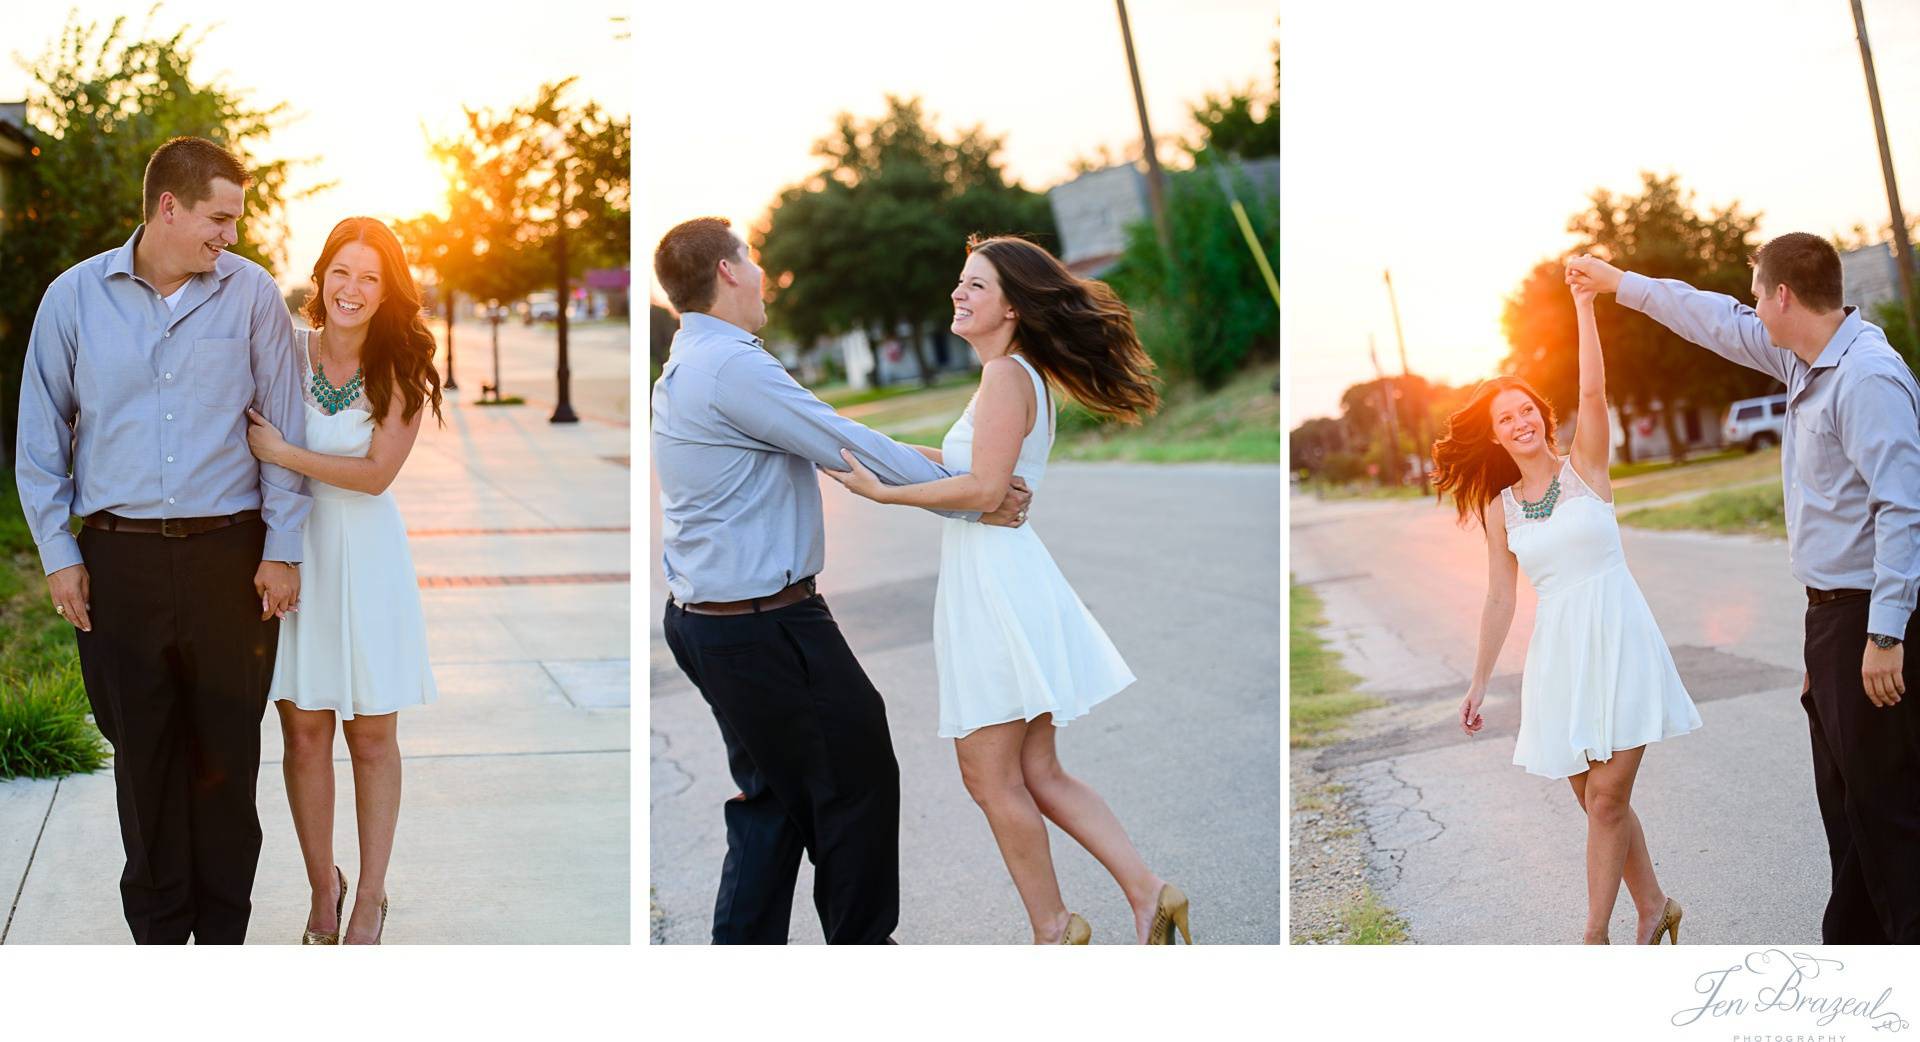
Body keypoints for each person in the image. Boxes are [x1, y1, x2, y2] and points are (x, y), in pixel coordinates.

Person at [651, 216, 1031, 944]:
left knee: (771, 803)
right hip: (761, 626)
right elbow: (844, 446)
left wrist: (964, 474)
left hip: (715, 622)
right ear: (729, 272)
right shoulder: (729, 366)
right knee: (855, 778)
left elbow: (833, 436)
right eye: (752, 259)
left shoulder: (696, 360)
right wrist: (980, 494)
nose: (761, 275)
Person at [822, 235, 1191, 944]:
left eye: (976, 287)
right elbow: (969, 465)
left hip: (993, 585)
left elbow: (984, 488)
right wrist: (872, 449)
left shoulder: (1005, 378)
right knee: (1038, 770)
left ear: (1014, 306)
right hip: (1004, 574)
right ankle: (1151, 893)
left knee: (990, 778)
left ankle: (1055, 930)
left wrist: (883, 495)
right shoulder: (1017, 376)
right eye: (960, 283)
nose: (958, 295)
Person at [1569, 237, 1920, 943]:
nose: (1751, 308)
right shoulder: (1802, 359)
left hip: (1870, 621)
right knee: (1847, 814)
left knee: (1889, 820)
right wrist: (1619, 283)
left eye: (1758, 294)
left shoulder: (1866, 376)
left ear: (1784, 295)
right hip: (1833, 624)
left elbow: (1904, 508)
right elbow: (1709, 317)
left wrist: (1883, 635)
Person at [14, 136, 310, 943]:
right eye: (220, 217)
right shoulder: (73, 298)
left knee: (226, 760)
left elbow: (282, 420)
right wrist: (60, 554)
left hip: (229, 560)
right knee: (142, 763)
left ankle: (221, 940)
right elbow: (41, 437)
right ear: (168, 207)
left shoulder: (249, 296)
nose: (232, 236)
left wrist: (282, 547)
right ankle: (158, 942)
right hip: (119, 562)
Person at [1431, 263, 1699, 944]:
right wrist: (1479, 680)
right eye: (1505, 417)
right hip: (1560, 657)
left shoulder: (1587, 467)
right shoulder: (1501, 509)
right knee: (1594, 801)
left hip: (1620, 637)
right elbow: (1498, 596)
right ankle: (1656, 905)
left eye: (1526, 410)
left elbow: (1593, 386)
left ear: (1542, 417)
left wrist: (1584, 303)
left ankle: (1594, 935)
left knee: (1609, 798)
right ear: (1494, 435)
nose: (1519, 421)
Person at [241, 216, 443, 944]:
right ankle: (323, 886)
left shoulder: (402, 367)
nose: (352, 289)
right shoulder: (285, 351)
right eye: (341, 272)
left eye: (370, 277)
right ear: (320, 276)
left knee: (371, 738)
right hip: (294, 554)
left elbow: (375, 476)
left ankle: (371, 897)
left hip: (365, 561)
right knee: (300, 734)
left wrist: (285, 451)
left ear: (388, 290)